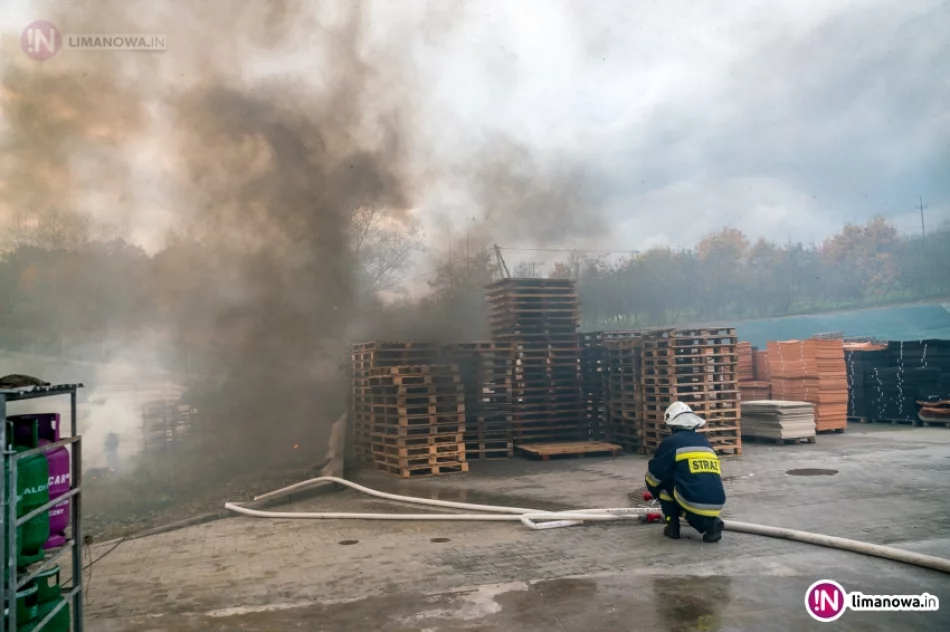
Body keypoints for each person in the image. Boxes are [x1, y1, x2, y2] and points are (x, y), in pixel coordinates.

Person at [644, 401, 726, 543]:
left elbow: (653, 476)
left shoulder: (671, 443)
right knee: (686, 490)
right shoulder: (705, 442)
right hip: (718, 501)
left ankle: (672, 526)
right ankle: (711, 522)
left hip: (693, 500)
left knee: (665, 489)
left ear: (673, 425)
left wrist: (655, 493)